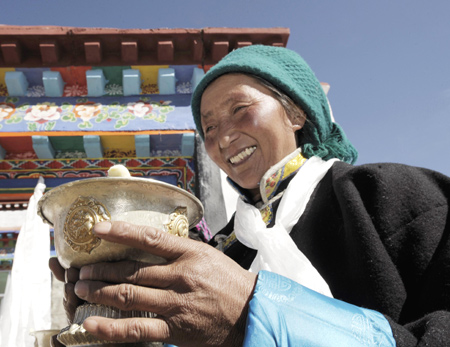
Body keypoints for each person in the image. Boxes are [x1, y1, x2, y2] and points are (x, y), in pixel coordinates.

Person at [49, 45, 450, 346]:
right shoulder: (222, 251)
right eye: (208, 128)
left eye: (240, 109)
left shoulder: (388, 195)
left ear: (295, 113)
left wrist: (255, 313)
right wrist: (116, 323)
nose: (222, 137)